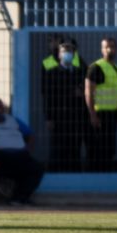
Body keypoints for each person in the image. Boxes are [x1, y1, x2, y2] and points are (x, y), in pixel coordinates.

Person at [43, 41, 87, 172]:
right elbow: (49, 95)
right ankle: (56, 174)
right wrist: (49, 117)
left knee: (75, 145)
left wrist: (82, 90)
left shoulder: (80, 70)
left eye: (70, 51)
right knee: (58, 146)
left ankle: (75, 174)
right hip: (59, 115)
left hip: (77, 115)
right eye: (64, 51)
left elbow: (87, 86)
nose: (67, 54)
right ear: (59, 54)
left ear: (74, 54)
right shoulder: (52, 71)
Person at [85, 37, 117, 172]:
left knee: (110, 149)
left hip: (112, 114)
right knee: (99, 149)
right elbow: (88, 92)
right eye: (106, 47)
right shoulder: (96, 67)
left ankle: (107, 178)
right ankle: (96, 179)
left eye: (112, 46)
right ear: (102, 50)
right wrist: (93, 115)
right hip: (100, 114)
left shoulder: (115, 68)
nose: (109, 49)